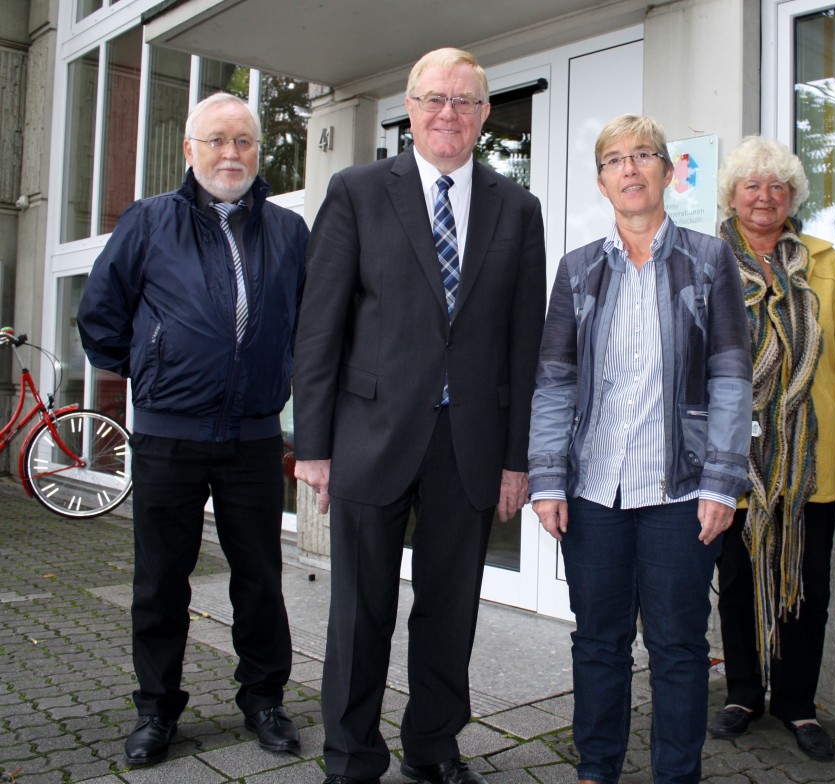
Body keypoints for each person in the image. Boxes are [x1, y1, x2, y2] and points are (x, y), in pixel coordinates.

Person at [293, 48, 546, 784]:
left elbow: (523, 343)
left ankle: (433, 747)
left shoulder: (516, 207)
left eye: (464, 102)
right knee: (359, 611)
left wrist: (516, 457)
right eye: (435, 99)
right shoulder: (358, 190)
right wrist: (313, 444)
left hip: (467, 445)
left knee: (449, 610)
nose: (448, 114)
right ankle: (350, 753)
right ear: (410, 107)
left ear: (484, 114)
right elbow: (320, 327)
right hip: (370, 436)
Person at [77, 92, 308, 767]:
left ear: (258, 152)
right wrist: (155, 372)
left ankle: (264, 700)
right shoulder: (149, 221)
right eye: (217, 140)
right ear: (189, 149)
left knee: (260, 577)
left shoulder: (288, 231)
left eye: (243, 141)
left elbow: (312, 323)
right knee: (159, 579)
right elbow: (100, 317)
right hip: (168, 435)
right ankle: (156, 710)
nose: (231, 153)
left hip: (255, 436)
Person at [527, 115, 753, 784]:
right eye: (616, 160)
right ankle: (596, 768)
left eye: (644, 156)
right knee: (598, 642)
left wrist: (722, 482)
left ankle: (674, 774)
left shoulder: (710, 261)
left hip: (680, 492)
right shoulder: (577, 270)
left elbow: (732, 377)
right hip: (594, 491)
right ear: (602, 180)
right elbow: (554, 383)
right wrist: (547, 479)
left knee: (678, 646)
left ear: (667, 172)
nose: (631, 169)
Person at [708, 136, 835, 760]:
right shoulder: (706, 259)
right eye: (752, 185)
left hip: (811, 457)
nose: (764, 196)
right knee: (737, 579)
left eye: (778, 186)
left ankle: (798, 704)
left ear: (792, 197)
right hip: (735, 459)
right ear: (732, 195)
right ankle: (744, 694)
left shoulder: (823, 261)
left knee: (807, 584)